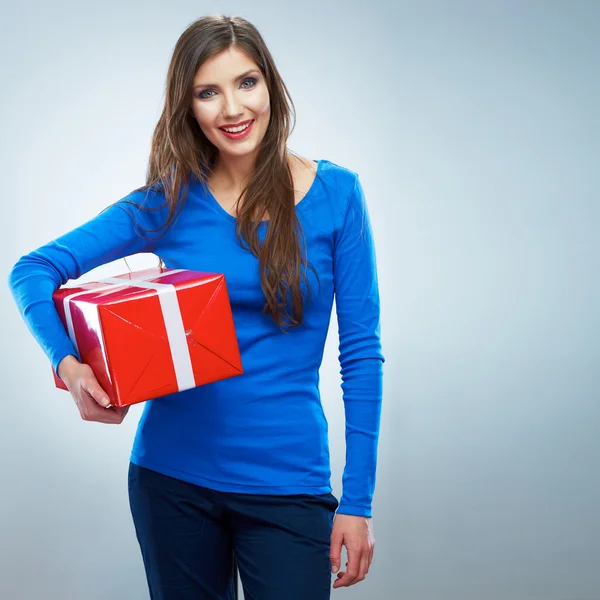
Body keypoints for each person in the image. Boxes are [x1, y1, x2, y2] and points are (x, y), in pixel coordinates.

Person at [8, 14, 385, 600]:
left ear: (271, 87)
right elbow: (32, 270)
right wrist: (71, 368)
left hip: (288, 483)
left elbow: (360, 354)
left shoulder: (338, 196)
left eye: (246, 83)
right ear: (189, 108)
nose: (233, 108)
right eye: (208, 92)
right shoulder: (168, 202)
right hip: (171, 479)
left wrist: (357, 501)